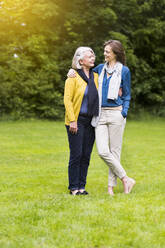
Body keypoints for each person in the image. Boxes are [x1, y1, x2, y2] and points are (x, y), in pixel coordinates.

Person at [67, 40, 135, 195]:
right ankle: (126, 178)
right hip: (100, 114)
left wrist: (124, 111)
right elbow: (81, 72)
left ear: (115, 53)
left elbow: (127, 94)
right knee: (103, 151)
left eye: (107, 52)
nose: (104, 54)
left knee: (115, 151)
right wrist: (70, 72)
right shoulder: (99, 69)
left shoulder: (124, 71)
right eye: (104, 51)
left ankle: (111, 188)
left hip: (117, 113)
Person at [64, 47, 99, 195]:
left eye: (93, 56)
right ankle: (73, 187)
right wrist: (72, 120)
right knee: (76, 154)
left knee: (86, 155)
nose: (93, 58)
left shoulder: (96, 76)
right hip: (76, 121)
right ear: (80, 60)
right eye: (89, 56)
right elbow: (67, 100)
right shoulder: (73, 77)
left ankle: (81, 187)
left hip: (91, 122)